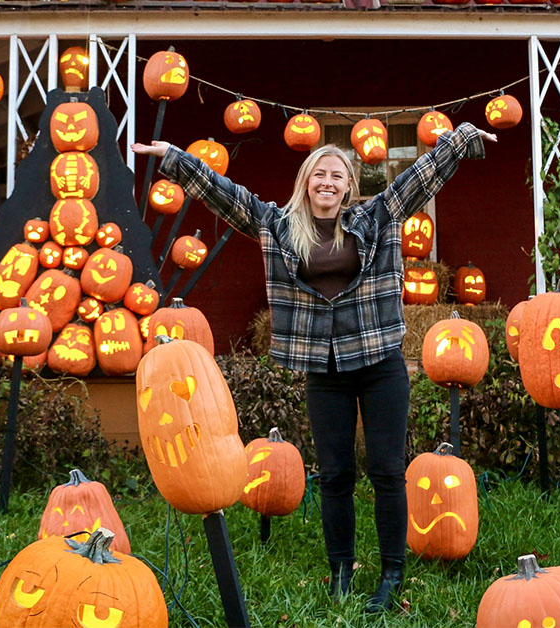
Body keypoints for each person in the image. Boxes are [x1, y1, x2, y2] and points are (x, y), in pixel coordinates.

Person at [132, 121, 496, 613]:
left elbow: (423, 175)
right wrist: (175, 157)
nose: (327, 182)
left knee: (388, 470)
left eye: (337, 175)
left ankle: (391, 573)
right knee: (336, 473)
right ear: (306, 181)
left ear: (349, 185)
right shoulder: (278, 226)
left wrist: (464, 138)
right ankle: (341, 570)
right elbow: (226, 195)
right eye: (318, 173)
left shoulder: (378, 216)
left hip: (379, 363)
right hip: (324, 371)